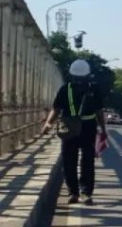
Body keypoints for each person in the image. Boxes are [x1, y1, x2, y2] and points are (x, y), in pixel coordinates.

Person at [40, 59, 108, 205]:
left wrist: (48, 124)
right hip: (88, 127)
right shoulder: (94, 89)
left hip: (69, 127)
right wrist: (103, 129)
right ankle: (85, 193)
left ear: (71, 75)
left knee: (69, 160)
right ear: (88, 75)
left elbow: (56, 109)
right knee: (87, 160)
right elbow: (99, 111)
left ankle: (74, 193)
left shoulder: (65, 89)